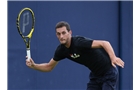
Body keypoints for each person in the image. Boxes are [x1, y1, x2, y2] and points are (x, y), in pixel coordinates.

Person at [26, 21, 124, 90]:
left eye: (64, 33)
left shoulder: (79, 42)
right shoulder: (61, 50)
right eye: (58, 34)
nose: (61, 36)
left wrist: (113, 57)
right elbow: (49, 66)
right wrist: (34, 66)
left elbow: (104, 43)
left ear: (70, 33)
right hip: (95, 76)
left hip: (108, 72)